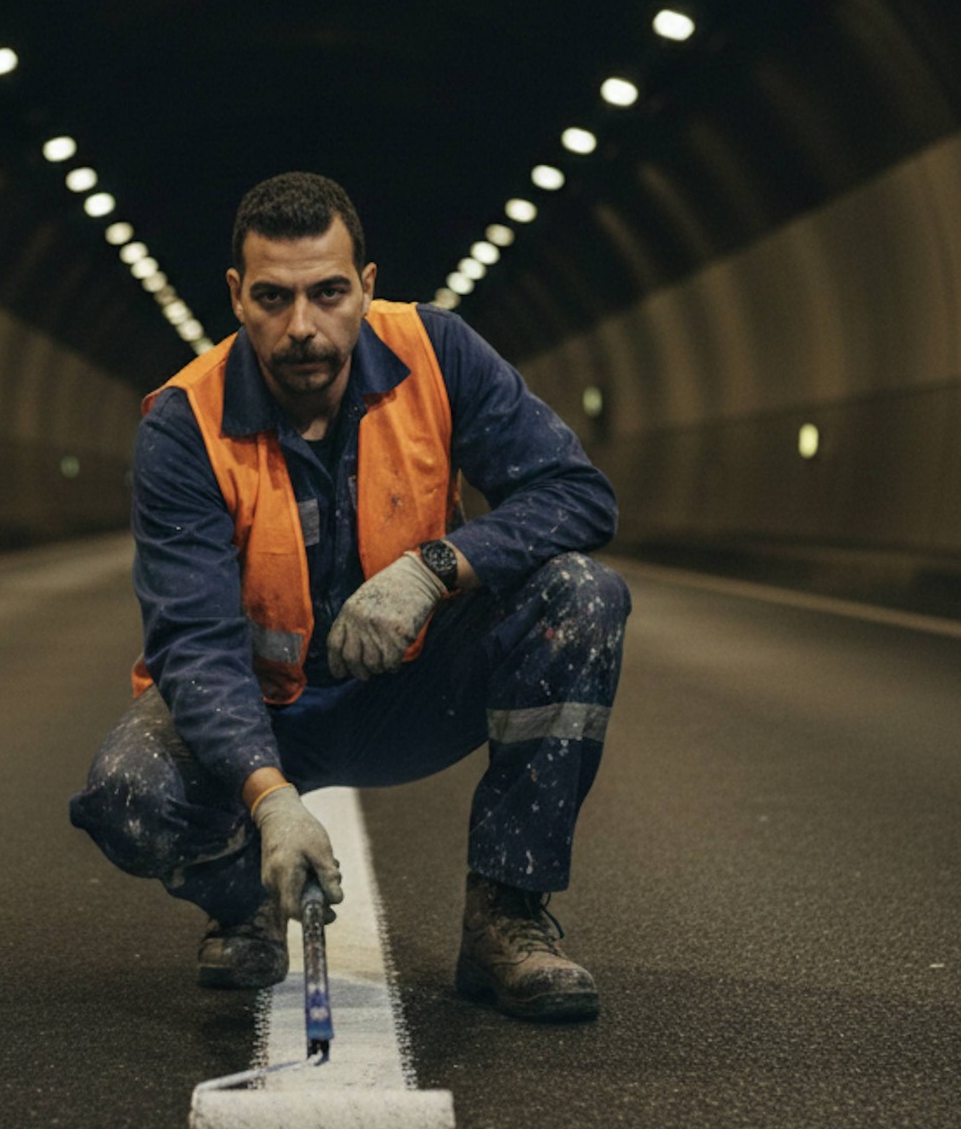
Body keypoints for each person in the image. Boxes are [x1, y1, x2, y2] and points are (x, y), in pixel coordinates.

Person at [70, 172, 630, 1021]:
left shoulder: (435, 353)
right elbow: (195, 644)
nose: (302, 327)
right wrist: (268, 801)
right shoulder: (185, 424)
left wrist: (436, 567)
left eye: (328, 293)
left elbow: (576, 495)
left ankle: (505, 920)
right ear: (235, 296)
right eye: (273, 298)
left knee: (583, 597)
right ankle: (241, 901)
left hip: (412, 690)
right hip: (262, 720)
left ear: (366, 286)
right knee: (126, 794)